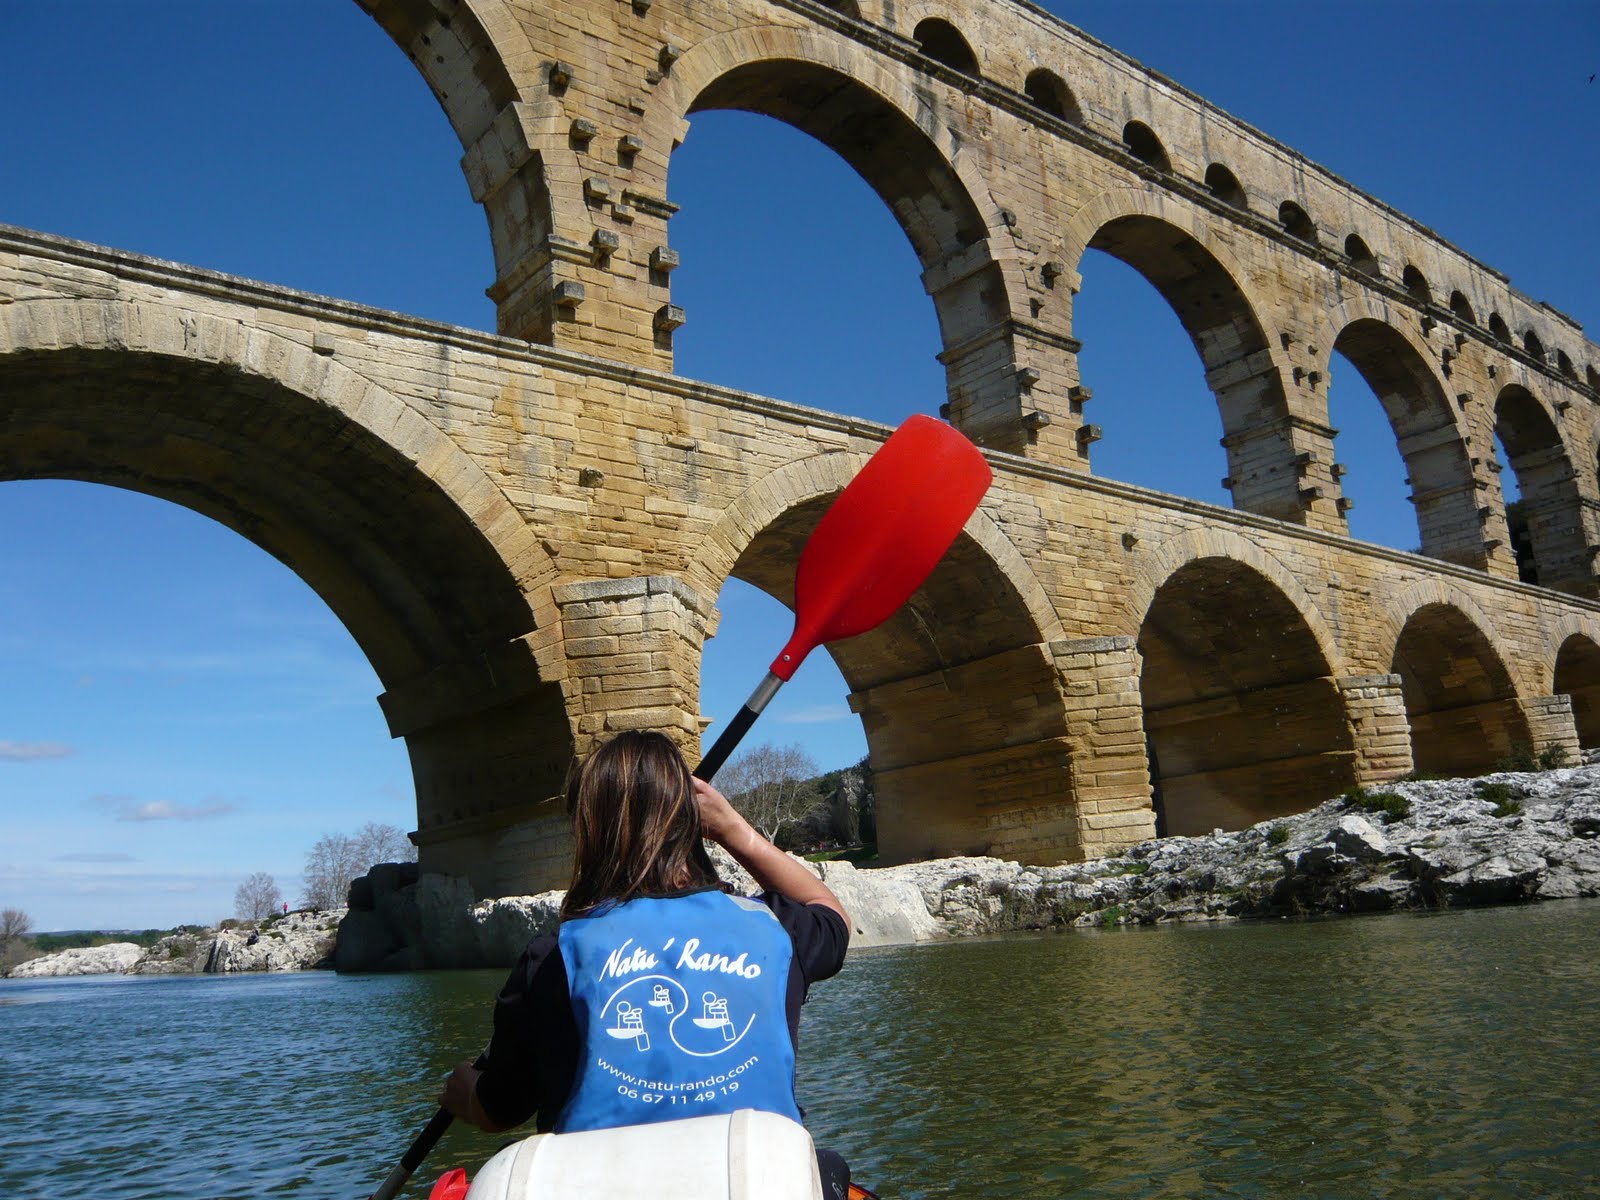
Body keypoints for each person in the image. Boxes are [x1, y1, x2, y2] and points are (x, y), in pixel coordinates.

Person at [439, 730, 854, 1197]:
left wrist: (468, 1094)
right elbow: (831, 913)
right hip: (754, 1180)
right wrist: (735, 829)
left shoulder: (551, 956)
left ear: (588, 831)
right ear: (693, 822)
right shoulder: (778, 930)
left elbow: (501, 1109)